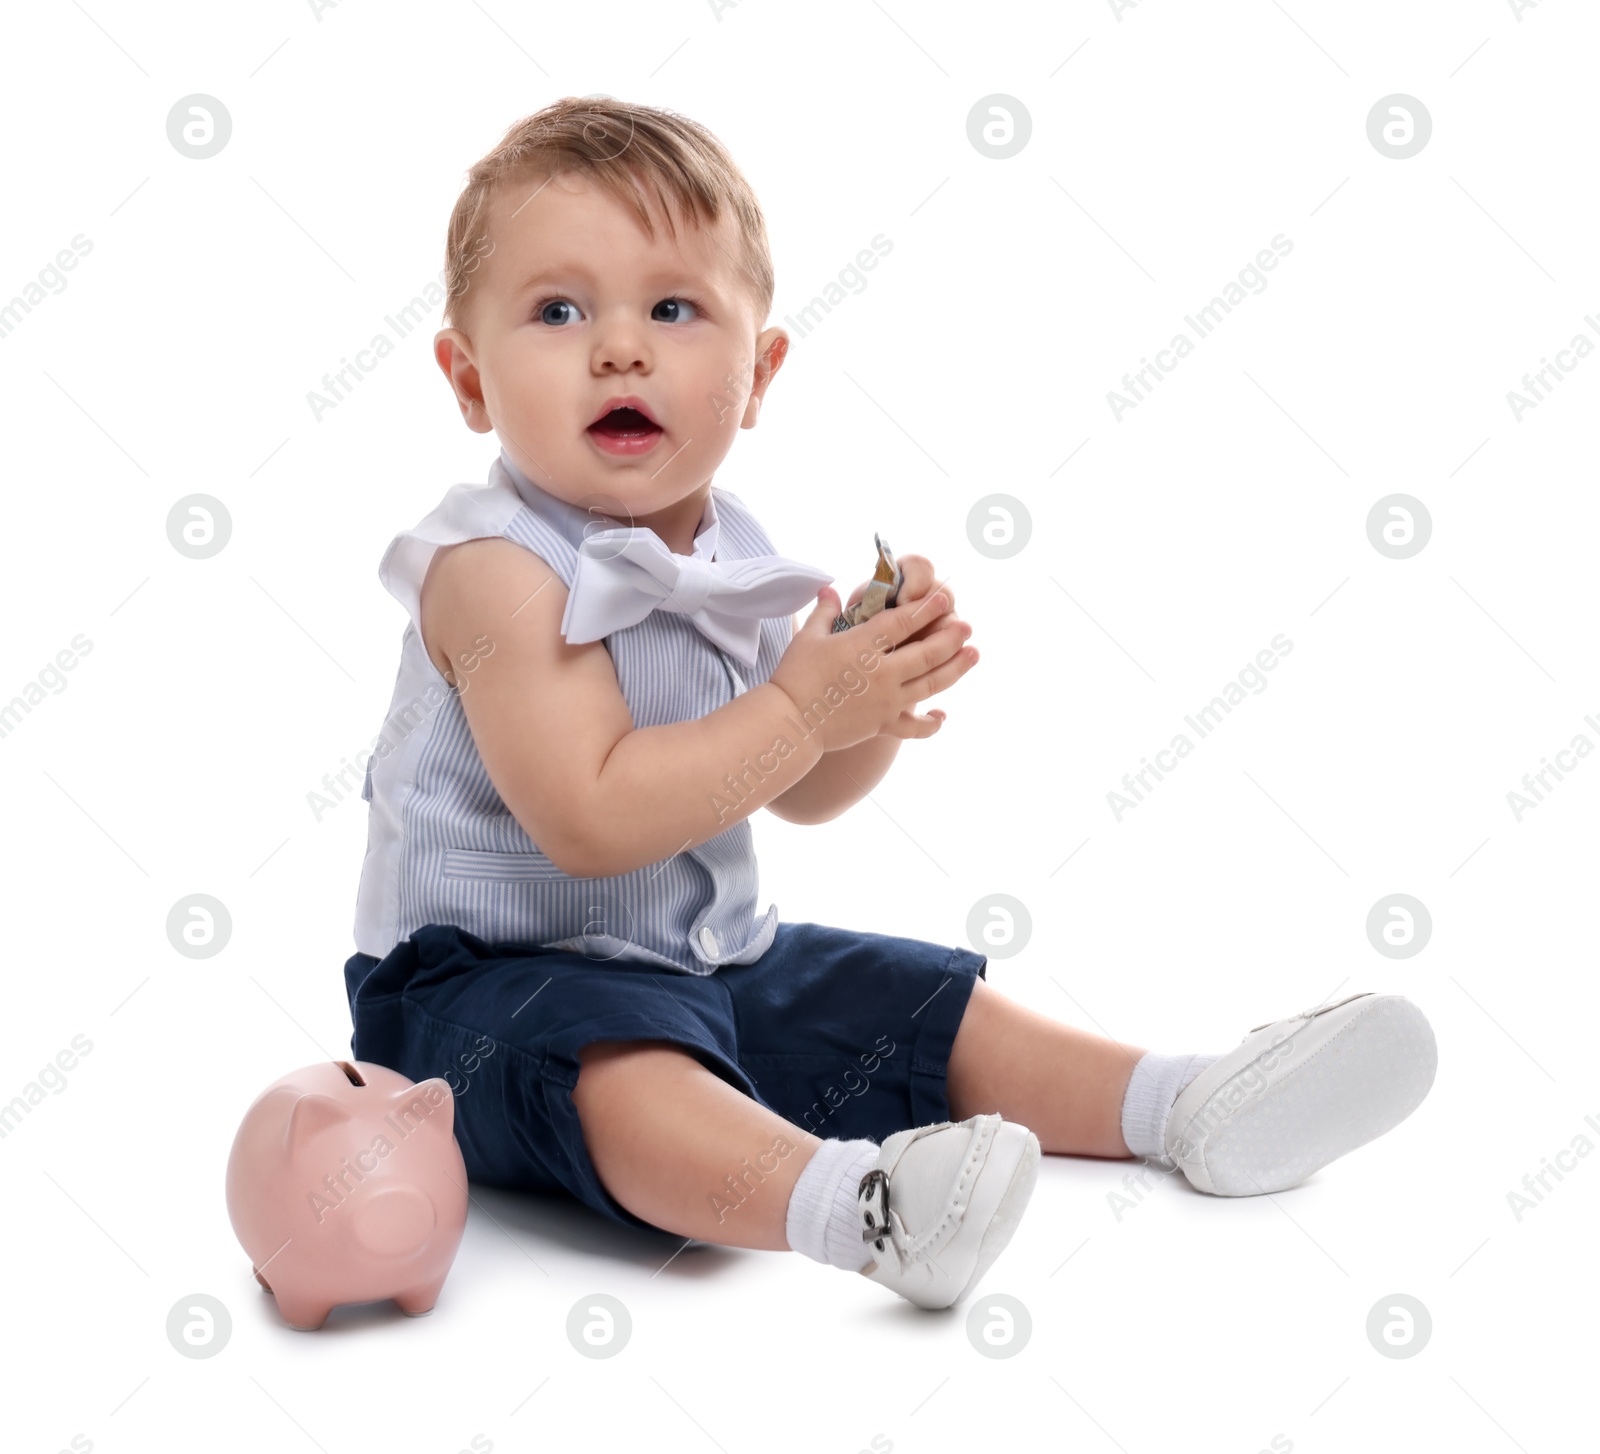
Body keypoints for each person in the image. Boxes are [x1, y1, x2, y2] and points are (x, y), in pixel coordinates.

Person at [343, 97, 1437, 1311]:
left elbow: (800, 793)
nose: (619, 348)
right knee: (619, 1061)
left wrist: (863, 708)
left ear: (756, 375)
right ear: (468, 378)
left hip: (704, 957)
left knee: (911, 997)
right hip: (476, 1000)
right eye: (558, 311)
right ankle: (860, 1208)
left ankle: (1182, 1100)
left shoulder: (733, 555)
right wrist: (806, 706)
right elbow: (590, 818)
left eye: (673, 308)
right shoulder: (492, 568)